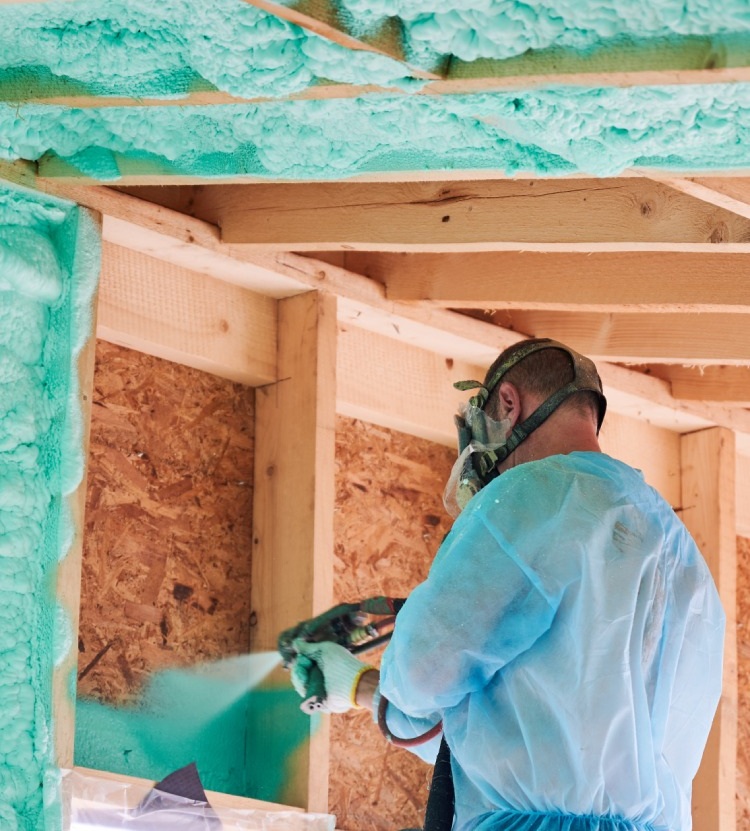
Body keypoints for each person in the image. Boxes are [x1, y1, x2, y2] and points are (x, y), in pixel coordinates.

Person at [291, 338, 725, 831]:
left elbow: (423, 672)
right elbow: (522, 739)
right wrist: (355, 687)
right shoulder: (681, 553)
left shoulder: (532, 495)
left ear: (508, 405)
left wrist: (384, 679)